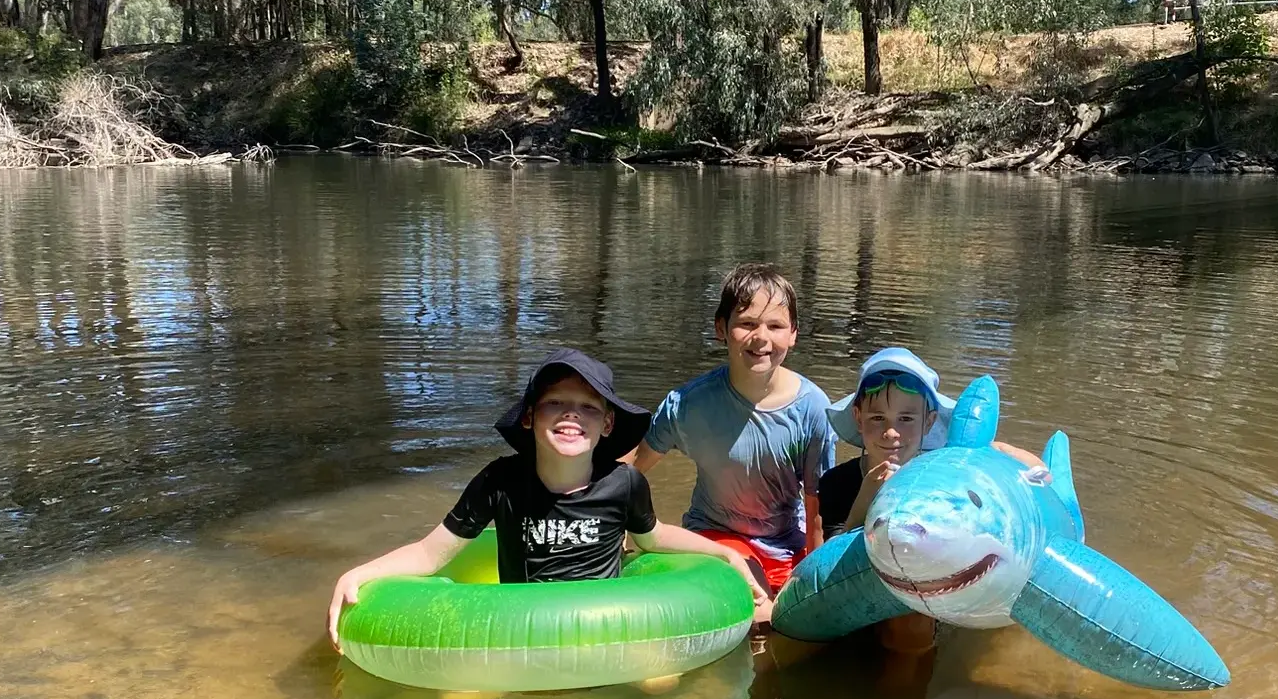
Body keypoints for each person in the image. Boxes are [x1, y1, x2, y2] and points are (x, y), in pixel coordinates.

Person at [326, 347, 768, 652]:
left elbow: (653, 538)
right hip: (520, 632)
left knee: (659, 685)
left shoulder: (624, 483)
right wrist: (361, 573)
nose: (572, 415)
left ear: (608, 424)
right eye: (555, 403)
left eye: (588, 407)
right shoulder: (499, 481)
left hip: (608, 628)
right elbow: (430, 553)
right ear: (530, 417)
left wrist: (726, 556)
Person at [629, 264, 837, 611]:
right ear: (721, 329)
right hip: (716, 534)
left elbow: (817, 507)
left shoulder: (813, 408)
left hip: (786, 539)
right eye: (747, 324)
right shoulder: (689, 405)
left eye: (775, 326)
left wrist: (812, 582)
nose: (761, 338)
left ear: (794, 334)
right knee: (750, 601)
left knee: (788, 615)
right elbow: (631, 469)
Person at [820, 348, 1044, 654]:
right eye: (877, 418)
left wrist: (998, 451)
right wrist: (866, 495)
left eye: (906, 418)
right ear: (858, 419)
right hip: (862, 596)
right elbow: (830, 563)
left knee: (911, 624)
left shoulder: (938, 477)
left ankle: (908, 684)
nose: (891, 432)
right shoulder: (836, 483)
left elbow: (1033, 472)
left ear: (929, 421)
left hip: (924, 600)